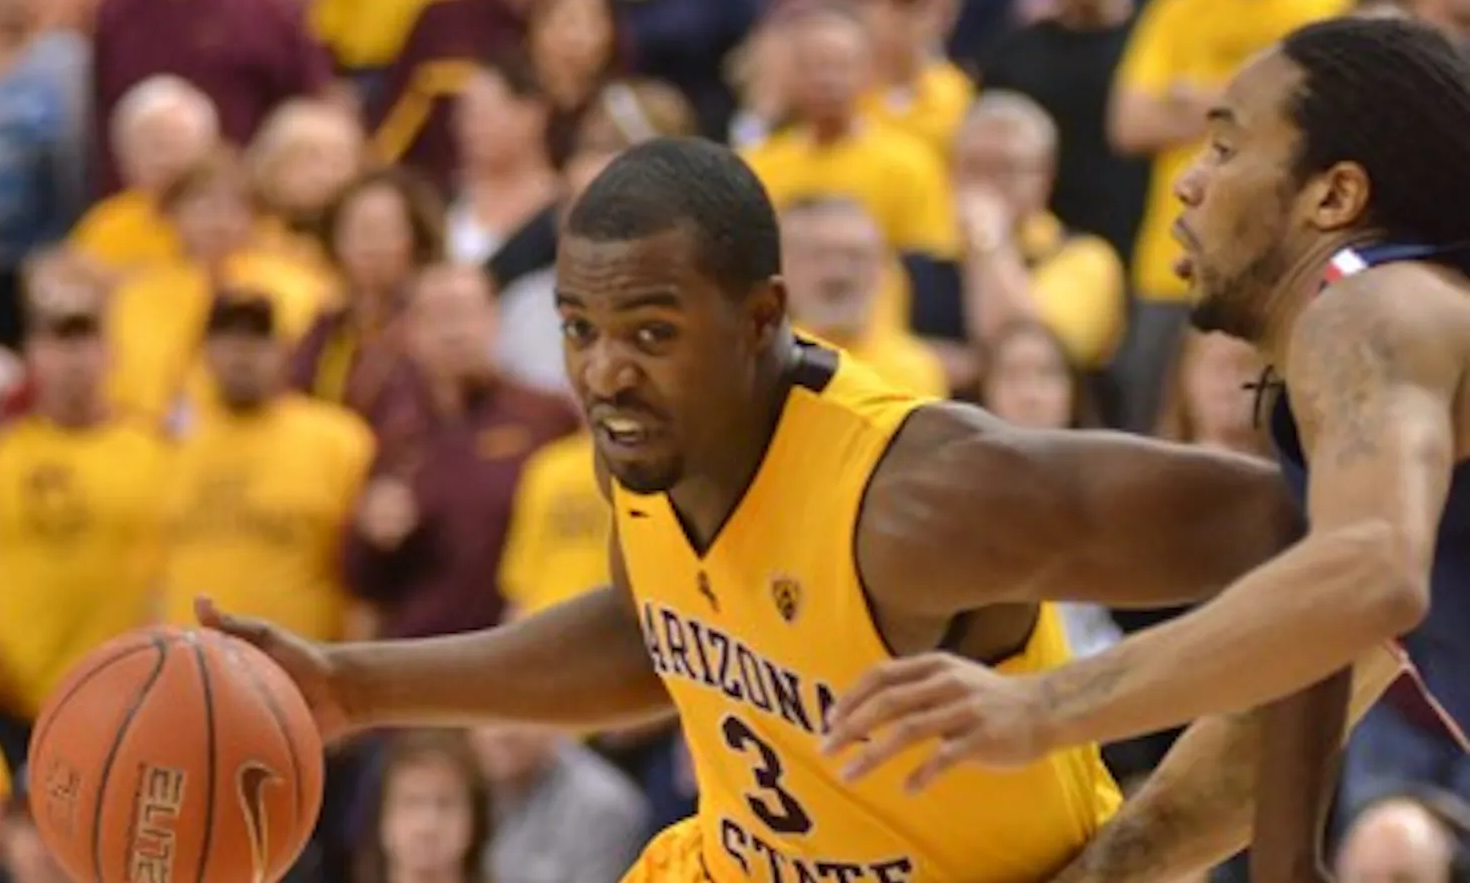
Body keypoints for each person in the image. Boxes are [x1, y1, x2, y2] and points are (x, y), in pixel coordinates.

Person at [200, 136, 1399, 883]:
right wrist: (355, 687)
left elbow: (1316, 537)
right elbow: (655, 632)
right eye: (578, 329)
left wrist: (1267, 850)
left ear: (762, 316)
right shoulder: (651, 442)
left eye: (650, 332)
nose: (605, 370)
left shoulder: (930, 495)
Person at [823, 16, 1470, 881]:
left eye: (1225, 150)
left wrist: (1043, 707)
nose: (1188, 184)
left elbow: (1369, 574)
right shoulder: (1402, 342)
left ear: (1334, 197)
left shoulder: (1368, 309)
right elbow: (1303, 658)